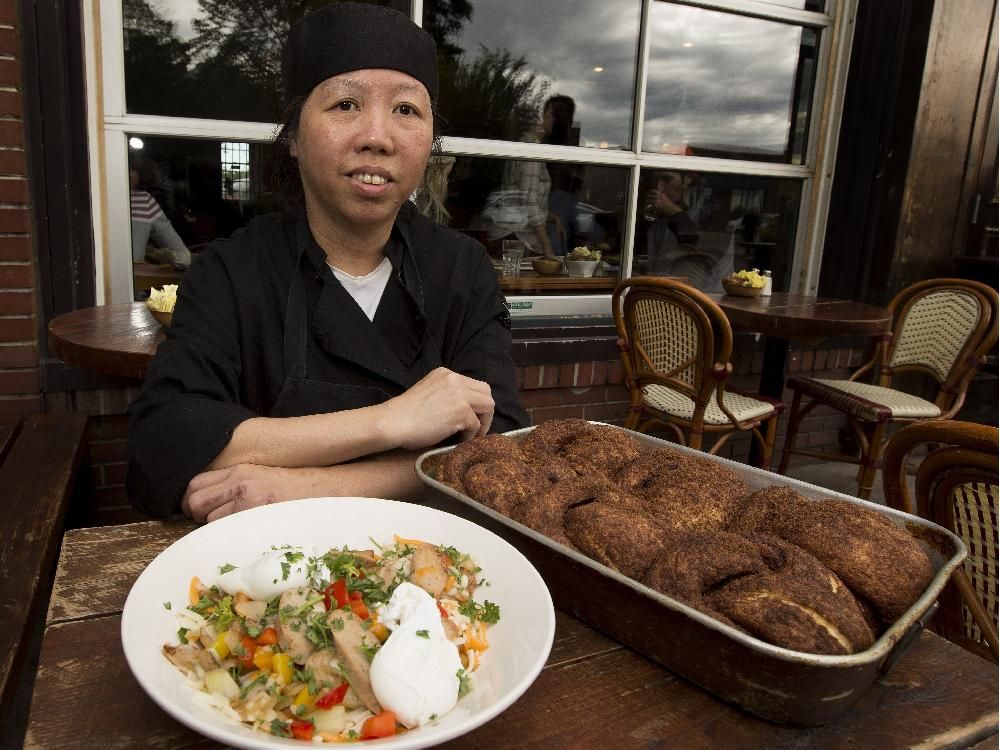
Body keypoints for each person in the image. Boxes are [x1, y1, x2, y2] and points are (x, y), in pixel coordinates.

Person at [127, 2, 529, 521]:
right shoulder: (232, 269)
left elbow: (503, 449)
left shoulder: (462, 269)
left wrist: (308, 486)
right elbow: (164, 443)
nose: (378, 137)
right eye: (345, 104)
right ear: (293, 137)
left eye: (406, 110)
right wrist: (389, 421)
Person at [130, 168, 192, 269]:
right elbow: (183, 259)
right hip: (134, 278)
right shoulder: (143, 200)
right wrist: (153, 253)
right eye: (133, 169)